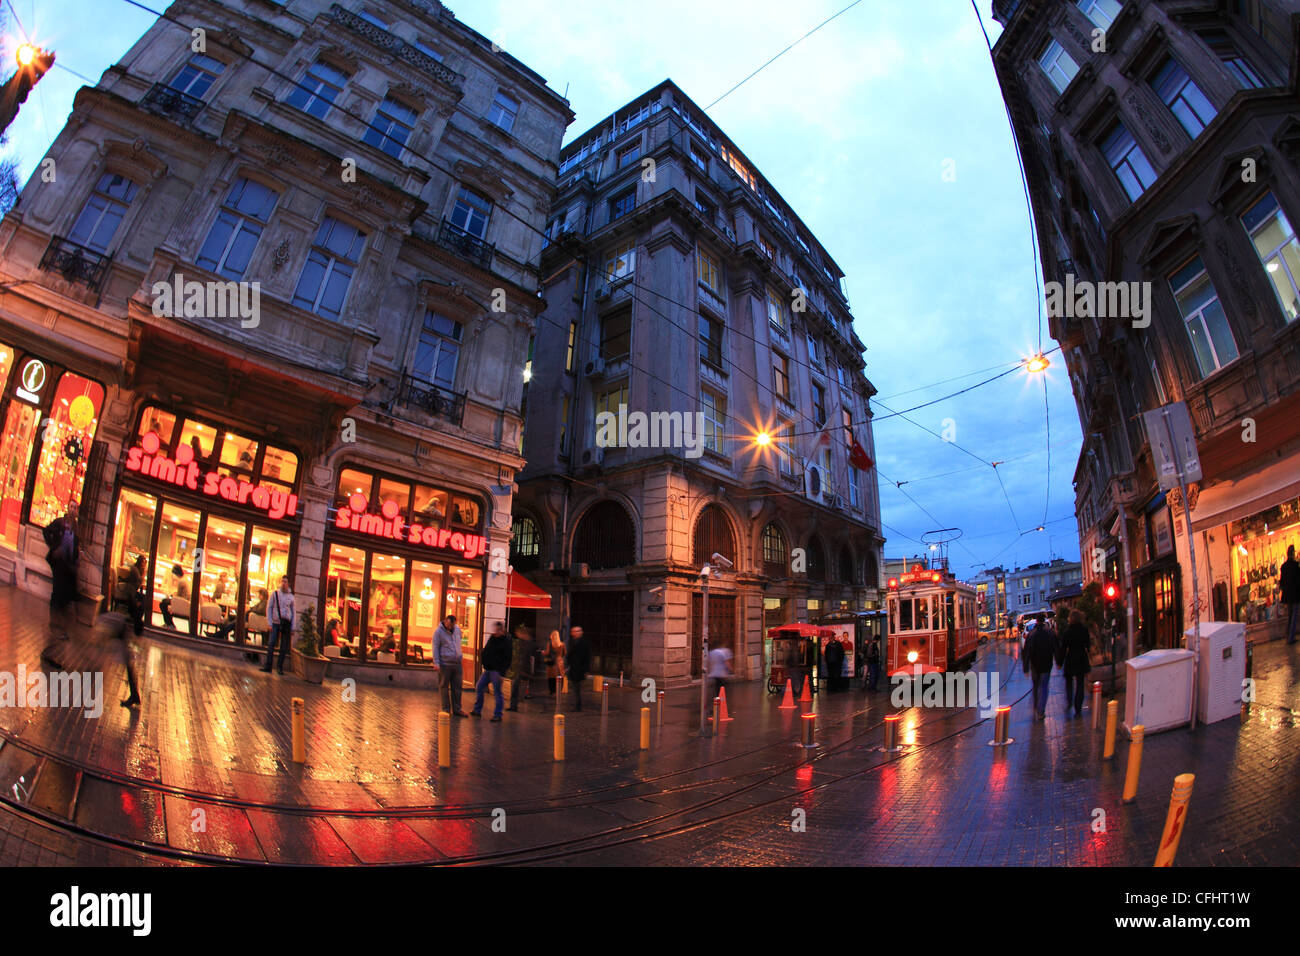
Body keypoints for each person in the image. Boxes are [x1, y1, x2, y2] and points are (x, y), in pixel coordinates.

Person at [41, 508, 79, 669]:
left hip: (68, 568)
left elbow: (75, 547)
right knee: (58, 599)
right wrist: (53, 547)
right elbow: (46, 531)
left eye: (76, 508)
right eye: (71, 507)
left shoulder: (76, 528)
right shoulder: (60, 523)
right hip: (59, 565)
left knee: (64, 602)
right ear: (68, 509)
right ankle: (51, 648)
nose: (73, 510)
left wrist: (76, 560)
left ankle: (56, 642)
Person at [472, 621, 512, 721]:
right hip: (488, 669)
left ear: (502, 630)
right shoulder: (493, 638)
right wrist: (483, 659)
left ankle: (498, 714)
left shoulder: (506, 641)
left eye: (498, 630)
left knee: (497, 692)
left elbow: (507, 658)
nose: (496, 632)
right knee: (479, 686)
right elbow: (487, 650)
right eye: (495, 629)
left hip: (497, 671)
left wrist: (502, 672)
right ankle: (477, 710)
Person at [1059, 608, 1092, 717]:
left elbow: (1063, 648)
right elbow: (1088, 644)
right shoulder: (1084, 630)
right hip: (1081, 658)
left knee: (1069, 681)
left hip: (1071, 659)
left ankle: (1069, 700)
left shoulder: (1067, 632)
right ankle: (1078, 707)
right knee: (1080, 683)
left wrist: (1059, 662)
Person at [1022, 615, 1056, 720]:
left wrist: (1026, 667)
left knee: (1036, 686)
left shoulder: (1031, 634)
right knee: (1044, 687)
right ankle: (1041, 711)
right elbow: (1056, 647)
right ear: (1044, 621)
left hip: (1035, 666)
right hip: (1046, 665)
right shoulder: (1049, 633)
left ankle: (1036, 706)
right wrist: (1058, 661)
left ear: (1036, 621)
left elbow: (1026, 651)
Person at [434, 615, 467, 715]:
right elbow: (435, 647)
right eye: (448, 625)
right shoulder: (438, 632)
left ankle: (457, 709)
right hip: (445, 664)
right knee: (444, 687)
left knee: (457, 687)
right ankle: (446, 709)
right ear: (445, 621)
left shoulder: (457, 630)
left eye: (452, 625)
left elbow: (459, 641)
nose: (450, 627)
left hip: (457, 663)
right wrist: (436, 662)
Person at [262, 576, 295, 674]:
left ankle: (280, 667)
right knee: (271, 643)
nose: (284, 583)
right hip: (275, 622)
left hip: (286, 623)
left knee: (283, 646)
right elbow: (269, 607)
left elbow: (293, 612)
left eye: (286, 582)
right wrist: (269, 622)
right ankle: (268, 665)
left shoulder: (291, 597)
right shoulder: (275, 594)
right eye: (282, 581)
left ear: (288, 584)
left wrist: (293, 627)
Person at [507, 624, 535, 712]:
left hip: (522, 669)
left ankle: (514, 706)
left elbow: (527, 657)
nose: (517, 634)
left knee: (516, 687)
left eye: (519, 633)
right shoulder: (522, 642)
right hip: (520, 668)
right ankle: (513, 706)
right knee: (515, 687)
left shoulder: (528, 643)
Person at [566, 625, 591, 711]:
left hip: (579, 669)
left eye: (576, 631)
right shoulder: (572, 642)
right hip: (573, 668)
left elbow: (587, 657)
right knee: (575, 688)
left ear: (581, 632)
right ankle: (577, 705)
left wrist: (586, 670)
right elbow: (570, 655)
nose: (574, 633)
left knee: (577, 688)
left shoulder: (584, 643)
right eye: (573, 631)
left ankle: (577, 706)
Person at [1280, 545, 1299, 646]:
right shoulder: (1295, 565)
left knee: (1290, 616)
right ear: (1293, 553)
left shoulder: (1283, 566)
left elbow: (1282, 582)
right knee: (1294, 616)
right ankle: (1290, 637)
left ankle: (1288, 636)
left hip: (1287, 595)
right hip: (1295, 595)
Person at [160, 564, 189, 629]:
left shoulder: (181, 582)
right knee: (164, 602)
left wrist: (171, 595)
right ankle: (169, 623)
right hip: (185, 602)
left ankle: (169, 623)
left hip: (181, 603)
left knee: (162, 604)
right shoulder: (185, 579)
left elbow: (178, 596)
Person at [125, 555, 147, 637]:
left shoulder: (137, 569)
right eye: (143, 562)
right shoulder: (135, 570)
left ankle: (138, 621)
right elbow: (139, 581)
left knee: (144, 599)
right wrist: (144, 573)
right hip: (131, 593)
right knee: (141, 602)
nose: (144, 564)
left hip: (133, 592)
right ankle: (137, 623)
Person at [544, 629, 566, 695]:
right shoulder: (562, 644)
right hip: (559, 663)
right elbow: (565, 653)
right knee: (560, 677)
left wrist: (543, 652)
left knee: (551, 677)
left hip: (552, 663)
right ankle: (559, 690)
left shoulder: (550, 644)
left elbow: (547, 653)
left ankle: (552, 691)